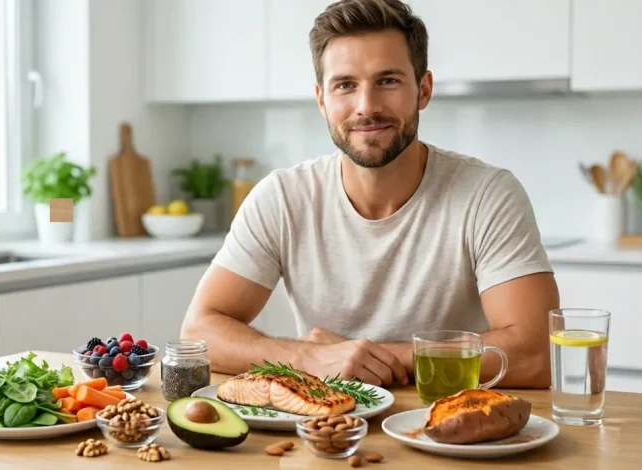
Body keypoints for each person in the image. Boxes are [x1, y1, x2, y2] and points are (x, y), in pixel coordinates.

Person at [180, 0, 558, 389]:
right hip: (325, 431)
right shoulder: (282, 198)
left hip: (453, 424)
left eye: (388, 81)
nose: (367, 107)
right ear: (321, 99)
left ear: (423, 90)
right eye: (345, 85)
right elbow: (198, 333)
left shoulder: (487, 195)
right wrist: (307, 357)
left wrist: (372, 358)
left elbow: (536, 354)